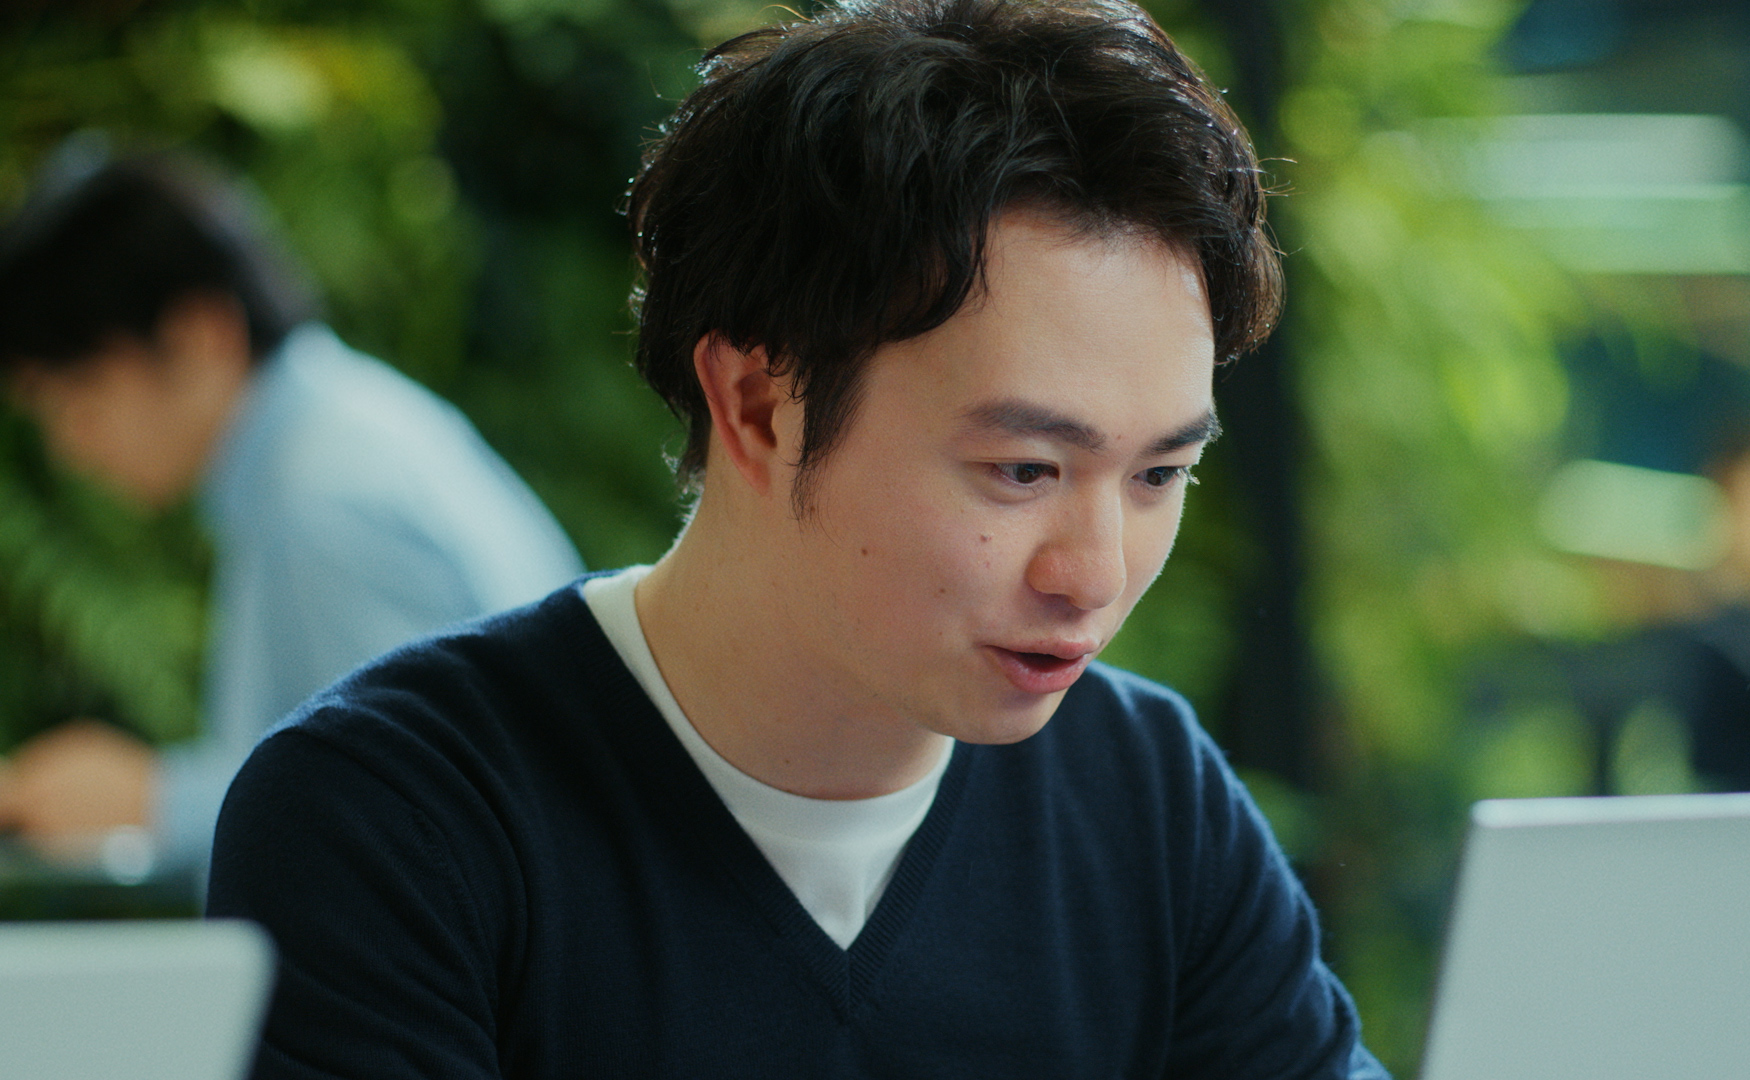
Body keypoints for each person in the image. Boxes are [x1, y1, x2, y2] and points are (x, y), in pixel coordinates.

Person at [208, 1, 1390, 1075]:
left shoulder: (1147, 797)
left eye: (1159, 474)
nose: (1095, 573)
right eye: (1023, 470)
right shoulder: (395, 819)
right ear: (759, 407)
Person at [0, 149, 584, 873]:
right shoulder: (339, 437)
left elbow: (407, 808)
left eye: (77, 396)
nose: (67, 446)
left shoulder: (322, 505)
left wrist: (154, 803)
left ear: (200, 335)